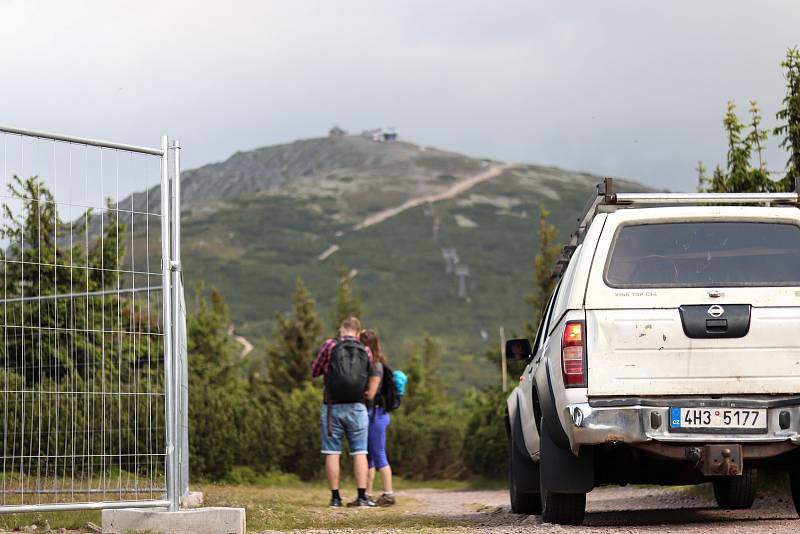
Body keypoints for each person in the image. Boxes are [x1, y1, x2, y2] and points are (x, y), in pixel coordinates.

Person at [311, 316, 375, 508]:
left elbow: (314, 371)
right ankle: (362, 497)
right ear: (358, 331)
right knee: (360, 452)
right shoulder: (366, 350)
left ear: (342, 330)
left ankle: (335, 498)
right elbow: (369, 375)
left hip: (332, 407)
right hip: (357, 407)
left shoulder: (330, 345)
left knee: (332, 452)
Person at [360, 329, 396, 507]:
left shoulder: (376, 366)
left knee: (379, 454)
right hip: (374, 414)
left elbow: (370, 394)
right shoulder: (372, 363)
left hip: (377, 414)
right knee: (369, 457)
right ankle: (366, 494)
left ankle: (389, 494)